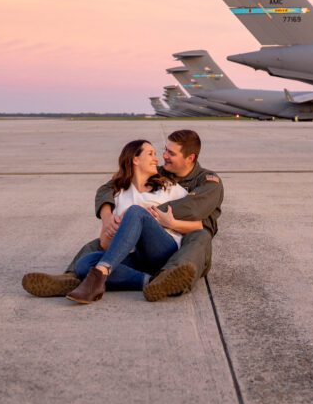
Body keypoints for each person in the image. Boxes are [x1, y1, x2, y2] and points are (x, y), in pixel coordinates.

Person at [21, 129, 223, 302]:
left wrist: (146, 214)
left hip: (188, 240)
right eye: (163, 151)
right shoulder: (159, 173)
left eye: (171, 153)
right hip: (146, 246)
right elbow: (108, 188)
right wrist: (108, 219)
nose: (163, 157)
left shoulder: (205, 181)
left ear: (190, 158)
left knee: (200, 236)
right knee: (93, 252)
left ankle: (172, 277)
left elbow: (194, 211)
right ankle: (76, 278)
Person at [66, 138, 202, 304]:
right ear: (135, 159)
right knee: (84, 264)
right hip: (135, 258)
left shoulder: (168, 187)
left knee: (136, 212)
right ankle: (152, 281)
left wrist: (171, 223)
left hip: (163, 250)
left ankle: (99, 276)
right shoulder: (119, 194)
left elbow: (198, 225)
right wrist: (112, 230)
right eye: (150, 154)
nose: (157, 159)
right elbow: (105, 243)